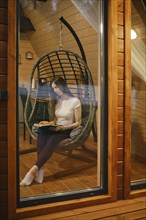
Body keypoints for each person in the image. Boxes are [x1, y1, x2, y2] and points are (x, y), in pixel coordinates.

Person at [20, 76, 82, 186]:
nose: (55, 90)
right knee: (41, 131)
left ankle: (32, 172)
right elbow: (56, 119)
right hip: (56, 127)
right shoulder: (58, 101)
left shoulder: (75, 101)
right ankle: (41, 169)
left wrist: (63, 128)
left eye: (56, 87)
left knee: (52, 139)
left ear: (62, 86)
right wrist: (48, 123)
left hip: (65, 130)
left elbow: (78, 123)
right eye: (53, 88)